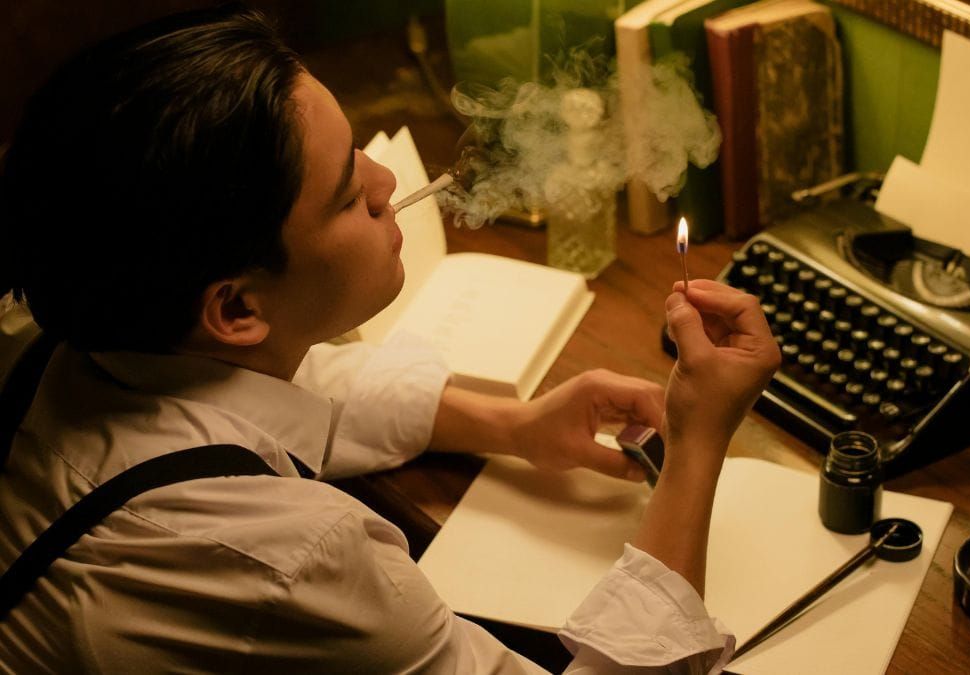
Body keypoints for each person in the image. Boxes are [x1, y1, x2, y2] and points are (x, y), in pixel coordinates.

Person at [0, 6, 780, 673]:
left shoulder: (60, 328)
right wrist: (698, 439)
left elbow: (285, 400)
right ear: (235, 309)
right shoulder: (296, 560)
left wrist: (512, 423)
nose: (384, 181)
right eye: (345, 190)